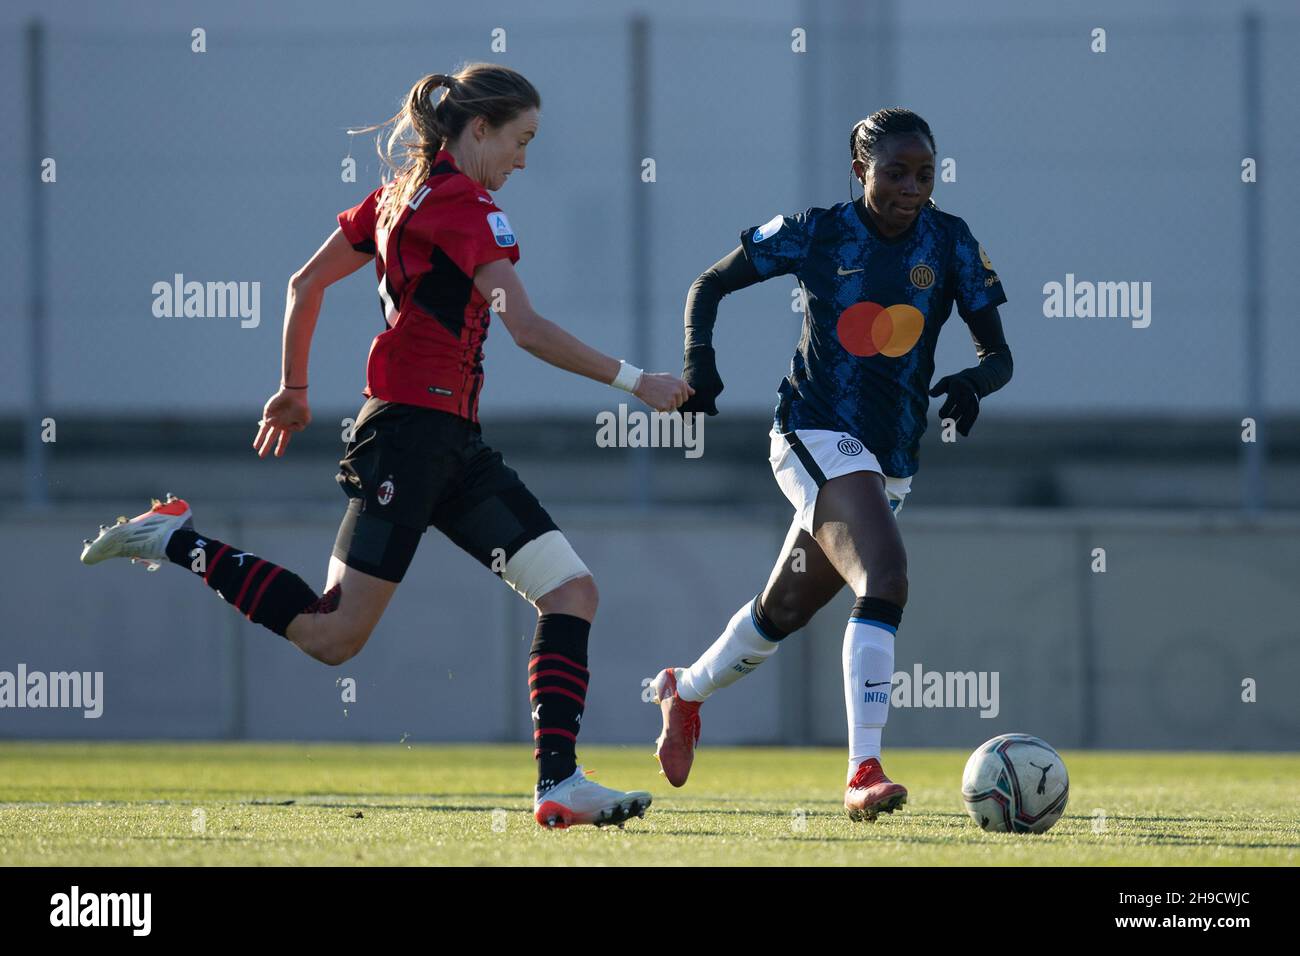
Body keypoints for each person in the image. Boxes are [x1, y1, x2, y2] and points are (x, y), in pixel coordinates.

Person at [80, 64, 692, 830]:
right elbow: (526, 328)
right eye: (520, 140)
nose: (523, 160)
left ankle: (558, 782)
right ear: (478, 130)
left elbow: (304, 284)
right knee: (333, 636)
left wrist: (294, 389)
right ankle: (176, 541)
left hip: (444, 441)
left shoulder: (399, 196)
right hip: (411, 439)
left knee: (572, 592)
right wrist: (641, 382)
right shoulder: (469, 206)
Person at [648, 108, 1013, 821]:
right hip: (813, 433)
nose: (913, 187)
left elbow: (998, 355)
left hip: (893, 457)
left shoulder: (952, 240)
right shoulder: (818, 231)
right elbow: (708, 285)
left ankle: (683, 692)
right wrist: (700, 364)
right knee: (886, 575)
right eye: (896, 172)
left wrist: (976, 384)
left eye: (925, 173)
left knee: (780, 612)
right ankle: (863, 771)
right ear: (860, 172)